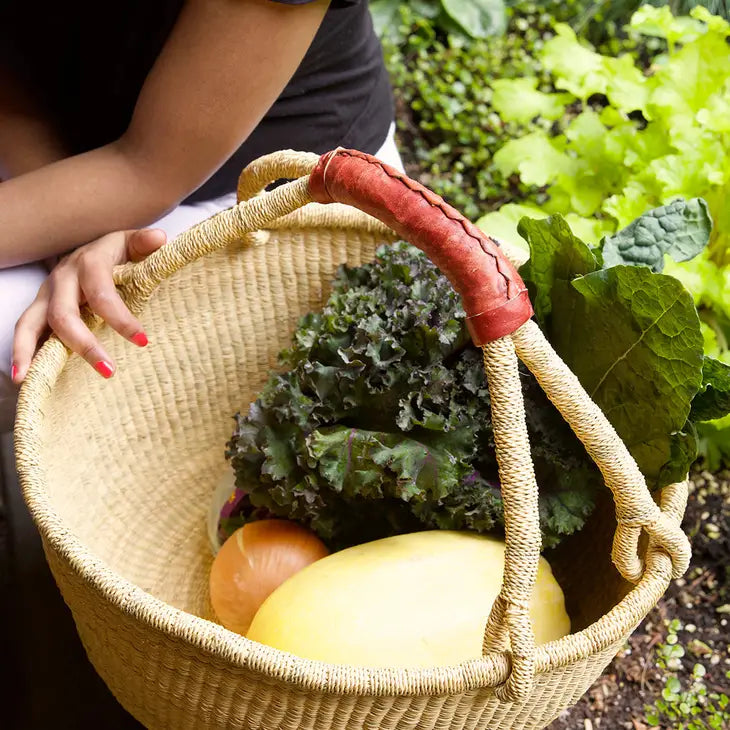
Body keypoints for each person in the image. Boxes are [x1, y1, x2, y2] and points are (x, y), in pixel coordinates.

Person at [0, 0, 404, 432]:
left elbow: (146, 170)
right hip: (74, 142)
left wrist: (86, 231)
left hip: (259, 182)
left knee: (22, 341)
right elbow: (14, 67)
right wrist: (72, 235)